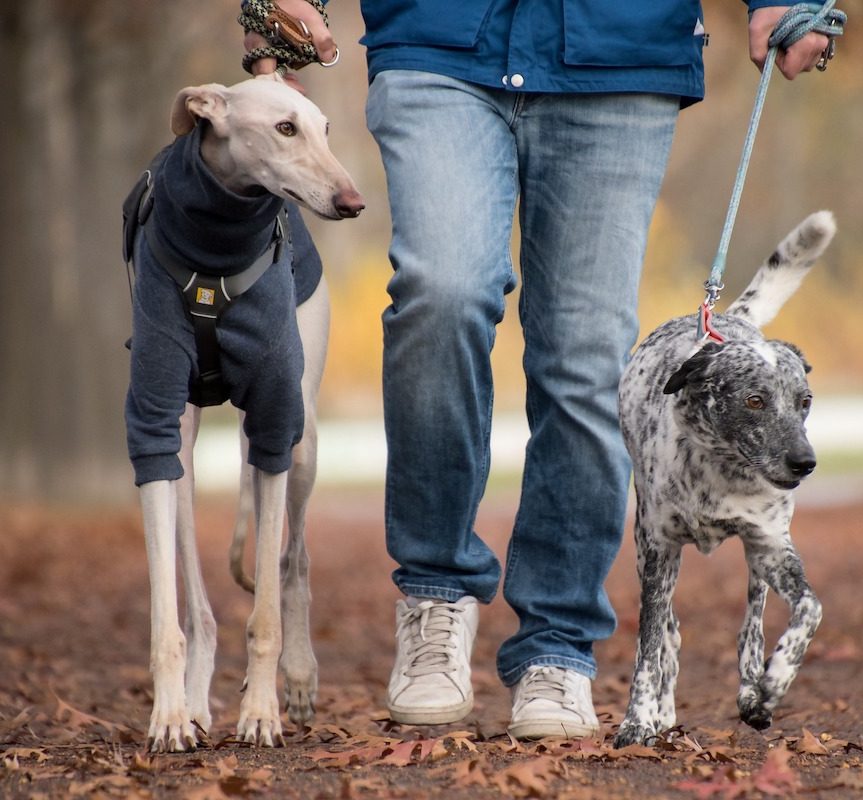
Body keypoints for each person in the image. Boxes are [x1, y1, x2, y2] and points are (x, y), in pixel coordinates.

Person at [244, 0, 831, 739]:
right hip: (441, 41)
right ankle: (436, 592)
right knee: (441, 292)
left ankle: (558, 641)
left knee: (588, 353)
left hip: (620, 51)